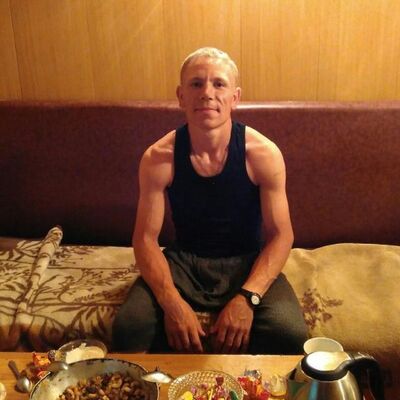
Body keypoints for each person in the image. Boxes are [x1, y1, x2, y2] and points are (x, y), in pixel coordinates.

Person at [112, 47, 308, 354]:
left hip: (247, 261)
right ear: (181, 96)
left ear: (235, 97)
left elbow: (281, 236)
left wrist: (248, 297)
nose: (207, 93)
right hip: (184, 263)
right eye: (196, 84)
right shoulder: (158, 158)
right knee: (129, 327)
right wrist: (172, 302)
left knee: (289, 332)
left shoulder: (263, 154)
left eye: (219, 84)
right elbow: (145, 239)